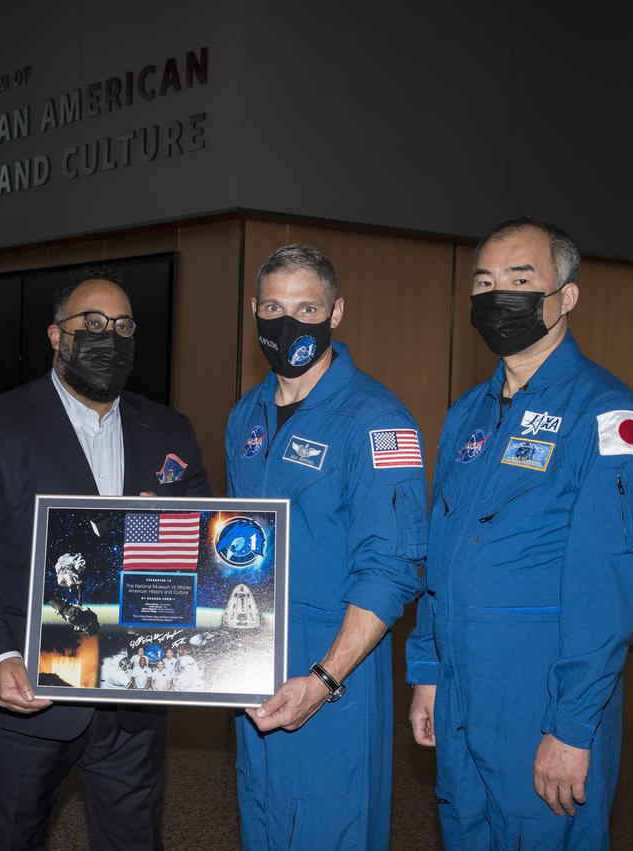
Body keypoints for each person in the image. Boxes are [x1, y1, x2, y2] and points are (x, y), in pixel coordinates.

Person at [405, 217, 633, 849]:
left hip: (539, 695)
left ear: (566, 296)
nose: (499, 298)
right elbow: (442, 555)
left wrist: (573, 727)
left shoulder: (605, 412)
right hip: (462, 689)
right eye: (485, 282)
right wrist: (428, 673)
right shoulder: (468, 413)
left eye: (521, 281)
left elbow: (607, 588)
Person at [0, 265, 211, 850]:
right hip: (27, 692)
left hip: (135, 696)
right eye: (92, 322)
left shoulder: (171, 430)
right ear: (57, 336)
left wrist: (164, 534)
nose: (108, 335)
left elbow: (200, 559)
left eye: (123, 325)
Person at [226, 244, 427, 849]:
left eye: (307, 308)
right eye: (273, 307)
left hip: (335, 667)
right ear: (253, 311)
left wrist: (323, 678)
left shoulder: (379, 419)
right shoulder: (246, 416)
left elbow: (391, 571)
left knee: (328, 829)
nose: (288, 323)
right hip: (252, 662)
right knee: (261, 823)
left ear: (336, 313)